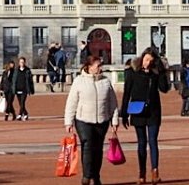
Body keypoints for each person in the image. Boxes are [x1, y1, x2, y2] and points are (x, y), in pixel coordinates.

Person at [64, 56, 119, 185]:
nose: (100, 68)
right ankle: (87, 176)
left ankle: (96, 175)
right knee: (87, 145)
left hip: (102, 120)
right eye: (97, 66)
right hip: (83, 119)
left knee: (98, 148)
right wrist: (68, 121)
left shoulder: (105, 82)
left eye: (101, 66)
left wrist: (115, 120)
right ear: (89, 67)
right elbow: (72, 102)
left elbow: (113, 103)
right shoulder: (79, 81)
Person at [121, 47, 171, 184]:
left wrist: (161, 70)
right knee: (141, 143)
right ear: (142, 58)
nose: (147, 63)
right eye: (146, 59)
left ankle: (155, 171)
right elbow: (127, 92)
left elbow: (164, 89)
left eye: (151, 61)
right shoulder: (132, 72)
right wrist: (124, 113)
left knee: (153, 141)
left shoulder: (155, 73)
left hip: (153, 111)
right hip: (138, 111)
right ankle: (141, 173)